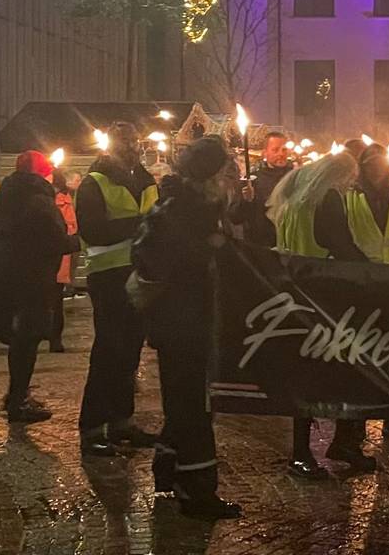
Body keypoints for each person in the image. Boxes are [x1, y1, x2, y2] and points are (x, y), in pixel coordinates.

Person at [130, 137, 242, 519]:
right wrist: (209, 247)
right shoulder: (185, 210)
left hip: (186, 320)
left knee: (184, 402)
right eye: (224, 169)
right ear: (209, 173)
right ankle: (197, 491)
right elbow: (162, 258)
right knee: (193, 404)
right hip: (185, 322)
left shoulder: (188, 205)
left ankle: (169, 469)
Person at [267, 151, 380, 475]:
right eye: (348, 180)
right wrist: (374, 272)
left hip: (295, 290)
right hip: (324, 294)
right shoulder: (325, 199)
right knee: (345, 368)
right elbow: (340, 245)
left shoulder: (292, 198)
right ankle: (330, 444)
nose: (349, 187)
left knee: (306, 371)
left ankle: (307, 449)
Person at [0, 151, 77, 423]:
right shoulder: (41, 201)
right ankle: (18, 401)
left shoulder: (7, 197)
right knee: (27, 341)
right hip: (34, 279)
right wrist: (78, 240)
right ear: (43, 173)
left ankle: (16, 395)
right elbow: (55, 241)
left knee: (18, 339)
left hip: (8, 277)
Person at [75, 121, 159, 456]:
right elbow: (94, 231)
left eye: (135, 141)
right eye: (125, 142)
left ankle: (122, 422)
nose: (132, 147)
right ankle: (92, 426)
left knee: (131, 351)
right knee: (109, 351)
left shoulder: (146, 178)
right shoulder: (93, 183)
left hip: (142, 273)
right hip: (109, 277)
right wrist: (141, 225)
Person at [345, 143, 389, 444]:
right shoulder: (350, 197)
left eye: (381, 164)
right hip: (361, 282)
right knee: (361, 354)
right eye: (371, 164)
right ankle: (358, 420)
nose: (378, 169)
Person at [234, 130, 294, 246]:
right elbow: (235, 217)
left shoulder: (296, 177)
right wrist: (246, 201)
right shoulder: (252, 180)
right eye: (275, 150)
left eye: (284, 150)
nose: (281, 154)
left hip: (290, 243)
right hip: (261, 245)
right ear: (265, 153)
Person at [49, 168, 78, 353]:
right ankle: (52, 337)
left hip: (53, 257)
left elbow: (71, 229)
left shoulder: (63, 202)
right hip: (51, 256)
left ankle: (53, 337)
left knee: (54, 300)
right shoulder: (62, 202)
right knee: (54, 300)